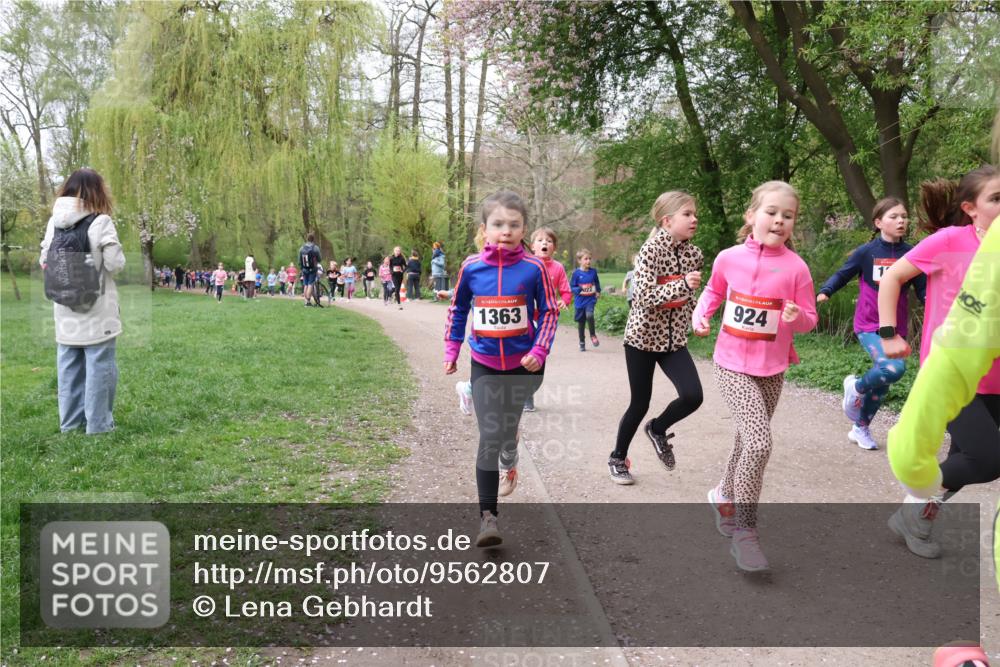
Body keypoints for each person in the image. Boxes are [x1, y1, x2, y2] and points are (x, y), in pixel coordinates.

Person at [691, 181, 818, 571]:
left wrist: (798, 318)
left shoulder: (796, 268)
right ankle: (746, 533)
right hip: (731, 364)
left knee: (746, 438)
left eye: (788, 215)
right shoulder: (729, 258)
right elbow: (713, 292)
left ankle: (723, 494)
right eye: (771, 212)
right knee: (759, 443)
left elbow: (810, 320)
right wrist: (701, 314)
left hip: (772, 369)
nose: (779, 220)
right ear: (752, 216)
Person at [876, 165, 1000, 560]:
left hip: (995, 377)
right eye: (996, 199)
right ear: (970, 208)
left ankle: (916, 518)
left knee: (965, 460)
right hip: (949, 375)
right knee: (987, 459)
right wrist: (888, 333)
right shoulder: (948, 241)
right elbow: (893, 277)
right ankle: (916, 491)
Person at [444, 190, 559, 547]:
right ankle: (487, 518)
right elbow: (458, 309)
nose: (505, 231)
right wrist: (452, 348)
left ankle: (511, 447)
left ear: (524, 229)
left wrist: (539, 350)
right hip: (486, 364)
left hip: (527, 368)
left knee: (505, 431)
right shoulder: (471, 268)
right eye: (498, 224)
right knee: (490, 437)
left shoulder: (534, 268)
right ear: (485, 229)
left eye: (514, 224)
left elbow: (551, 312)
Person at [816, 197, 927, 450]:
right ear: (878, 222)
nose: (901, 221)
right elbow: (843, 273)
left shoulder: (912, 254)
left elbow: (923, 290)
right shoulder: (867, 252)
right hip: (868, 324)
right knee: (892, 369)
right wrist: (827, 290)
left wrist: (936, 304)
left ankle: (861, 427)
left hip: (896, 328)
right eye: (894, 217)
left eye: (904, 216)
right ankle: (856, 387)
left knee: (885, 380)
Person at [610, 192, 705, 485]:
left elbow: (690, 298)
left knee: (693, 395)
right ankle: (617, 458)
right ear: (667, 220)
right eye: (687, 214)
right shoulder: (650, 251)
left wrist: (697, 319)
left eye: (694, 214)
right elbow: (643, 297)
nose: (694, 219)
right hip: (642, 339)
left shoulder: (695, 254)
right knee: (640, 402)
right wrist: (680, 285)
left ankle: (658, 429)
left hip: (673, 341)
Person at [39, 168, 126, 434]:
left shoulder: (54, 223)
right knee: (100, 368)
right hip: (98, 310)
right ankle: (98, 427)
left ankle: (69, 425)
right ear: (98, 191)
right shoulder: (101, 222)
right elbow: (115, 265)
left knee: (68, 370)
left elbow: (44, 261)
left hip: (64, 310)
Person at [571, 250, 601, 351]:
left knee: (590, 315)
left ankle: (593, 335)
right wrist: (578, 289)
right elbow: (572, 287)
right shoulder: (576, 274)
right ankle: (582, 342)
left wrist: (598, 291)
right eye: (586, 259)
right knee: (581, 323)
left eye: (589, 259)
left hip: (590, 299)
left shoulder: (593, 271)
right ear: (580, 261)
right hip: (580, 301)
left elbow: (596, 282)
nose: (588, 261)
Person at [298, 234, 323, 308]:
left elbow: (299, 261)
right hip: (312, 269)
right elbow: (319, 259)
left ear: (307, 239)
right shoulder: (315, 248)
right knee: (310, 284)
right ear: (313, 239)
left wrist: (302, 268)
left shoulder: (301, 248)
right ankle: (308, 302)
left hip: (304, 269)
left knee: (305, 284)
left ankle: (306, 301)